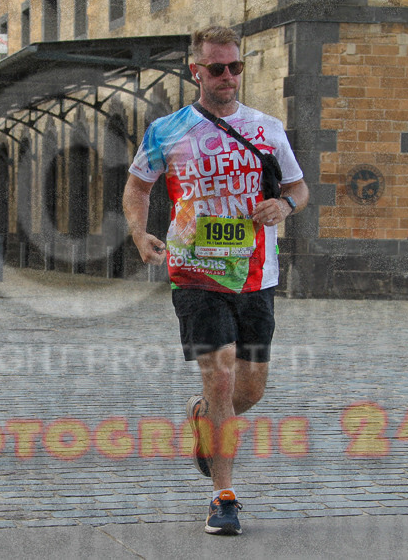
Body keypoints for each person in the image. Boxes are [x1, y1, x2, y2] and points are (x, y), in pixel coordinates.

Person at [123, 26, 309, 536]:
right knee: (222, 379)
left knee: (250, 389)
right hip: (195, 274)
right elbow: (137, 187)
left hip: (256, 275)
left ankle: (203, 415)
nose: (228, 76)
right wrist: (139, 233)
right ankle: (223, 497)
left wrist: (284, 205)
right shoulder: (167, 131)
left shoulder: (267, 129)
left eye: (235, 67)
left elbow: (299, 188)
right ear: (196, 72)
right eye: (217, 68)